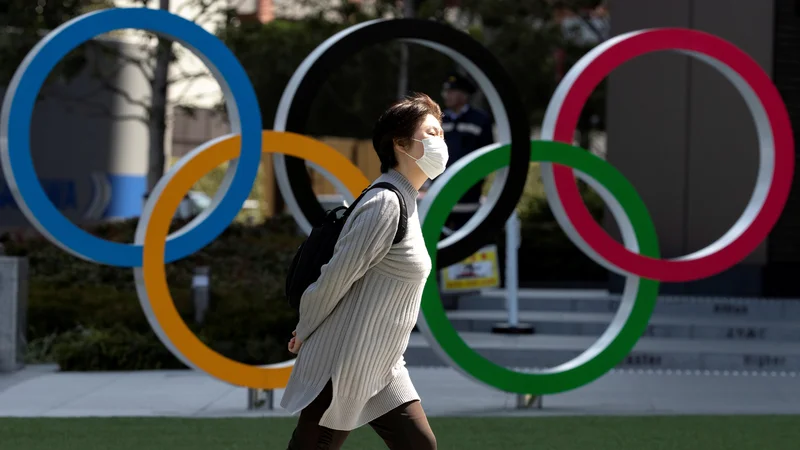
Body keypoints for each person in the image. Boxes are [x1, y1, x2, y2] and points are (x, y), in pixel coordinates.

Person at [281, 92, 445, 450]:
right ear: (401, 144)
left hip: (382, 364)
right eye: (431, 134)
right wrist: (304, 329)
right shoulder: (385, 203)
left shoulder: (408, 202)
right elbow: (334, 279)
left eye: (441, 134)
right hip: (342, 363)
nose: (440, 143)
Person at [437, 73, 494, 231]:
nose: (446, 96)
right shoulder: (438, 120)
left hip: (468, 199)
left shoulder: (480, 120)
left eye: (451, 92)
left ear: (464, 95)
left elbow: (487, 158)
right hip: (440, 199)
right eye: (445, 92)